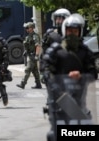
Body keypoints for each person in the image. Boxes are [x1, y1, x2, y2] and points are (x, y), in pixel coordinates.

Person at [41, 13, 98, 141]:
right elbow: (46, 71)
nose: (72, 34)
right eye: (70, 30)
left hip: (79, 99)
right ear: (64, 31)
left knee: (81, 132)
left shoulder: (86, 52)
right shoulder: (55, 51)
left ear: (80, 32)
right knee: (56, 134)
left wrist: (82, 75)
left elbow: (93, 73)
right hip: (59, 99)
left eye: (75, 31)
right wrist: (56, 86)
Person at [16, 22, 42, 89]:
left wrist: (36, 55)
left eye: (27, 28)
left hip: (33, 56)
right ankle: (38, 84)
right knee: (35, 71)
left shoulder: (34, 36)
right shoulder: (29, 36)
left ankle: (23, 83)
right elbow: (29, 46)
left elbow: (38, 46)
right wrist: (25, 51)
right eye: (26, 28)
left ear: (31, 28)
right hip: (30, 54)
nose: (26, 29)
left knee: (28, 69)